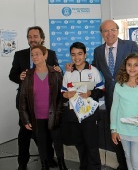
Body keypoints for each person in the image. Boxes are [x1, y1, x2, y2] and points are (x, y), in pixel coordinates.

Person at [9, 26, 60, 170]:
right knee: (24, 135)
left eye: (35, 36)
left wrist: (58, 70)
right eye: (30, 37)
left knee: (46, 135)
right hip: (26, 103)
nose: (32, 39)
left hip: (45, 104)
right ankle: (22, 164)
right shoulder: (19, 55)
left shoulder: (51, 54)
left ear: (42, 38)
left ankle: (49, 159)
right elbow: (12, 75)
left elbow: (55, 72)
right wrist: (19, 77)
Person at [92, 19, 138, 170]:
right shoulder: (98, 51)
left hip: (130, 97)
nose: (109, 33)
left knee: (133, 129)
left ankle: (134, 163)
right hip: (111, 98)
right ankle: (123, 164)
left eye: (112, 30)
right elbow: (93, 69)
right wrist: (74, 67)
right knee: (115, 131)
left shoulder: (130, 45)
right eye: (106, 31)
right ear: (102, 34)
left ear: (117, 31)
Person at [18, 45, 67, 170]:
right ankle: (44, 165)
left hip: (53, 115)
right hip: (36, 117)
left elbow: (61, 96)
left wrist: (59, 113)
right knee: (41, 143)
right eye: (32, 55)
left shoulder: (55, 73)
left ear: (45, 56)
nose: (34, 57)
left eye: (37, 54)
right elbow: (22, 99)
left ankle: (62, 165)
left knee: (57, 142)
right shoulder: (27, 75)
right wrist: (25, 119)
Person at [61, 42, 105, 170]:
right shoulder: (68, 72)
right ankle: (83, 167)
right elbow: (62, 93)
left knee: (92, 145)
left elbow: (101, 90)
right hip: (74, 115)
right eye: (73, 55)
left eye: (80, 54)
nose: (77, 57)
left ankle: (95, 168)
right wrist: (66, 95)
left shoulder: (94, 71)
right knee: (79, 144)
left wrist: (90, 93)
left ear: (85, 55)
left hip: (90, 115)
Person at [110, 53, 138, 170]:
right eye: (129, 65)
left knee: (137, 161)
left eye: (136, 65)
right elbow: (115, 107)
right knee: (128, 159)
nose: (132, 68)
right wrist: (114, 129)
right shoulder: (119, 85)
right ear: (125, 67)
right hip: (123, 130)